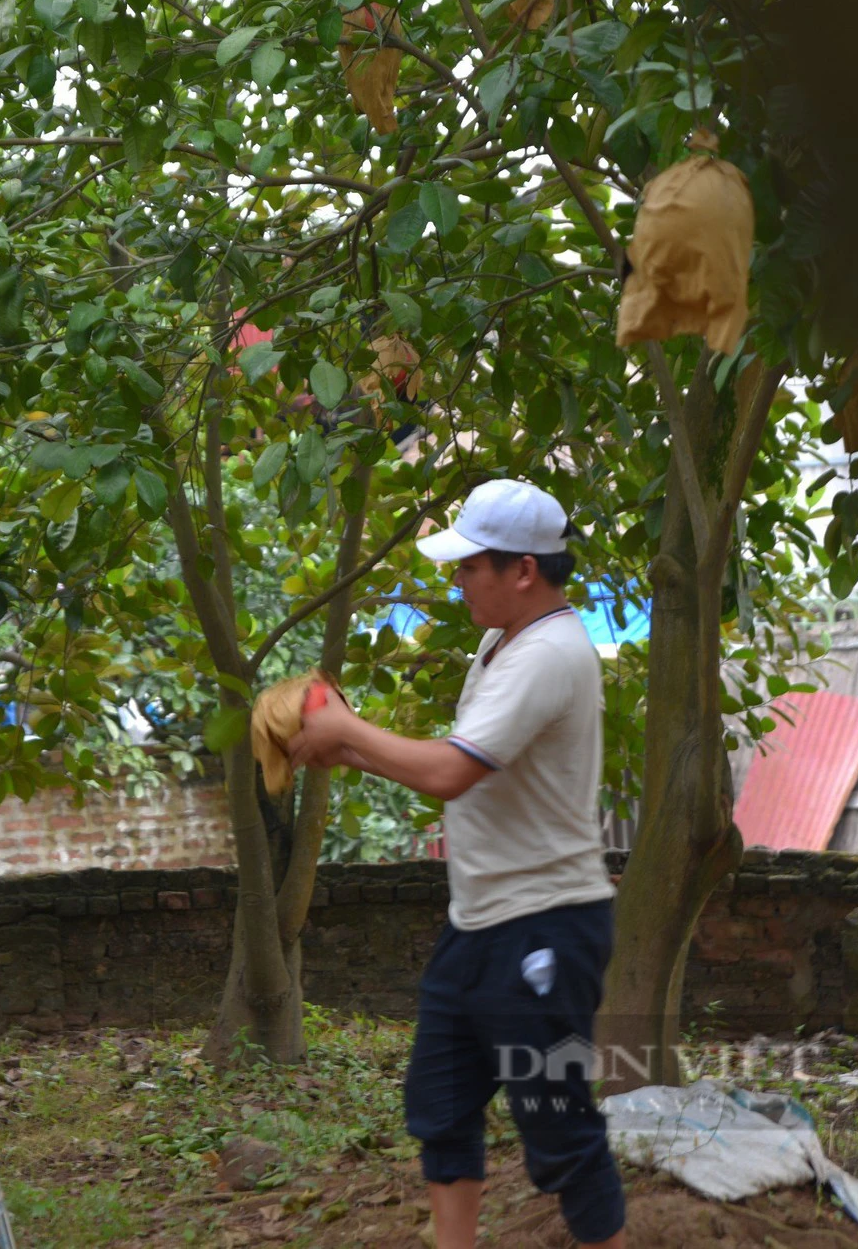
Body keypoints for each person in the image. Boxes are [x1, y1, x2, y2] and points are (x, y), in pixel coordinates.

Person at [289, 479, 626, 1249]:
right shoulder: (501, 641)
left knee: (559, 1131)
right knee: (441, 1109)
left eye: (470, 565)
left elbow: (450, 772)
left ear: (524, 570)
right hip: (478, 922)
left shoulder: (549, 654)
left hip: (544, 925)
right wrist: (348, 748)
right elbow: (463, 766)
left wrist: (349, 728)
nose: (457, 579)